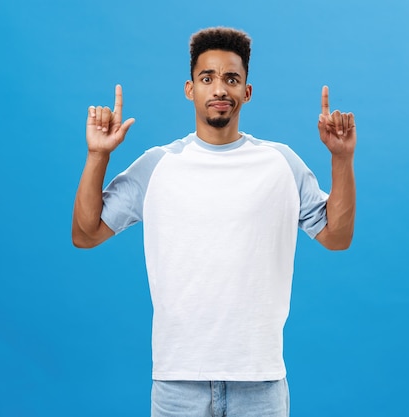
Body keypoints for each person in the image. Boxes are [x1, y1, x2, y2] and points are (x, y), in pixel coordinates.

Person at [72, 27, 356, 417]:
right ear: (190, 89)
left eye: (231, 79)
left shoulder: (281, 164)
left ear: (247, 91)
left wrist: (341, 160)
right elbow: (85, 234)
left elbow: (337, 237)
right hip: (177, 383)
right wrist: (97, 156)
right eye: (207, 78)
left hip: (260, 382)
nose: (219, 89)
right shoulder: (158, 165)